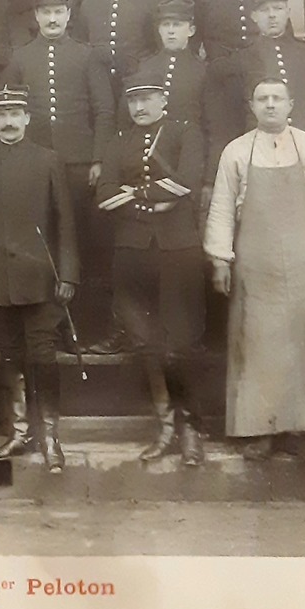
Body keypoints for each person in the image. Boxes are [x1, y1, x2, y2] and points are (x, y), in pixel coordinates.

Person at [205, 78, 305, 462]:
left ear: (291, 105)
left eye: (277, 99)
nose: (270, 105)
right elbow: (221, 208)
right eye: (262, 99)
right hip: (257, 262)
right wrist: (220, 257)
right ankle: (259, 430)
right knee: (258, 343)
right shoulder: (236, 152)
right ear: (252, 106)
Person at [0, 86, 79, 471]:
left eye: (16, 114)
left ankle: (49, 437)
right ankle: (15, 432)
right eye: (2, 115)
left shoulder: (48, 161)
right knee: (6, 359)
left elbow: (65, 223)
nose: (9, 121)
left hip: (43, 283)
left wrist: (68, 275)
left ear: (28, 118)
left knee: (43, 359)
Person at [96, 74, 210, 465]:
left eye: (147, 99)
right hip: (133, 251)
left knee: (180, 344)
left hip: (178, 249)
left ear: (164, 99)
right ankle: (164, 429)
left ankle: (190, 430)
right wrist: (151, 202)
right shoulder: (117, 142)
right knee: (146, 343)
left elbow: (187, 183)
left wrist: (135, 194)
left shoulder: (185, 133)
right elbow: (105, 194)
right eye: (133, 101)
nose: (140, 108)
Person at [3, 0, 116, 346]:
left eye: (58, 12)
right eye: (45, 12)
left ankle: (83, 327)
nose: (52, 19)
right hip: (36, 163)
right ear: (36, 17)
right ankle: (45, 328)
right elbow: (9, 110)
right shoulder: (20, 57)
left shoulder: (86, 56)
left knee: (79, 241)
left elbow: (104, 109)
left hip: (79, 163)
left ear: (69, 15)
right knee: (43, 241)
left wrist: (97, 158)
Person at [206, 0, 305, 176]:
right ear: (254, 16)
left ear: (288, 12)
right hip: (260, 157)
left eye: (278, 9)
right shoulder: (240, 60)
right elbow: (229, 120)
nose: (271, 15)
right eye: (264, 10)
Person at [128, 0, 208, 132]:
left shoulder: (203, 70)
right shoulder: (144, 66)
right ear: (159, 30)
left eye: (177, 25)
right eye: (165, 25)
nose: (170, 31)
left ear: (191, 31)